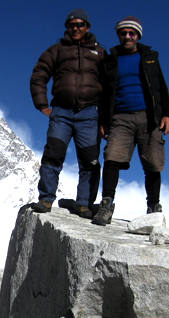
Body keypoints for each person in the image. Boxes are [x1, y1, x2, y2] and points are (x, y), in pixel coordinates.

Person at [92, 16, 169, 226]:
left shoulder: (150, 58)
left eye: (132, 33)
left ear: (138, 36)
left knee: (153, 163)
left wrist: (167, 115)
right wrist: (103, 119)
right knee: (112, 157)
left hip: (149, 116)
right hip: (120, 117)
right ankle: (106, 205)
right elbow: (104, 93)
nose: (127, 36)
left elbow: (161, 88)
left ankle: (153, 208)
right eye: (123, 33)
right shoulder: (110, 60)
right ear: (118, 35)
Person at [29, 9, 107, 218]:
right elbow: (38, 75)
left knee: (90, 161)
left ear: (87, 27)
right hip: (61, 112)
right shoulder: (56, 50)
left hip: (90, 114)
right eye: (72, 24)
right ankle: (45, 199)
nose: (76, 28)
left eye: (80, 24)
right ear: (67, 27)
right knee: (53, 155)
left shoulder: (100, 53)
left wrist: (106, 117)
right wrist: (42, 105)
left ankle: (84, 204)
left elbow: (110, 85)